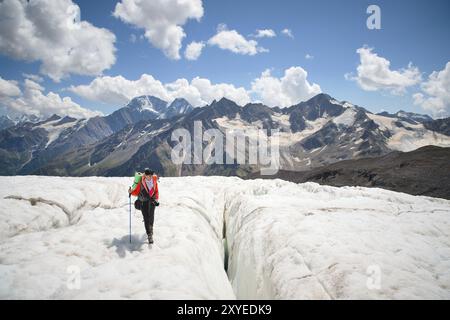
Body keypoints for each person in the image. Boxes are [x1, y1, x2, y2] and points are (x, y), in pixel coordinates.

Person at [129, 168, 159, 244]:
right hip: (143, 202)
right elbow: (135, 192)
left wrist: (156, 199)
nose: (151, 176)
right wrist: (130, 192)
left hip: (152, 201)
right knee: (146, 218)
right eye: (149, 175)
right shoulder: (141, 182)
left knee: (151, 216)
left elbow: (156, 190)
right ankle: (149, 235)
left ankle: (151, 229)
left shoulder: (154, 180)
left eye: (151, 175)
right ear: (145, 175)